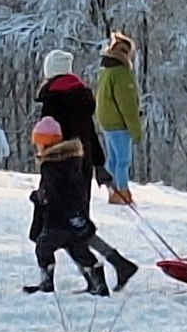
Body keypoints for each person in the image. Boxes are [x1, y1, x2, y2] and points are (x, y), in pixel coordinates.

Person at [23, 117, 138, 296]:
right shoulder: (69, 161)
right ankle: (99, 282)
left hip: (59, 220)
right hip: (73, 216)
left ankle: (47, 282)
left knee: (44, 247)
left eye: (38, 142)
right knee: (78, 248)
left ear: (44, 143)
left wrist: (40, 198)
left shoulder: (51, 165)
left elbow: (54, 193)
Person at [37, 49, 108, 190]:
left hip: (59, 161)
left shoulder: (52, 99)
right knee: (80, 201)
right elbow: (90, 133)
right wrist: (99, 162)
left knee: (59, 200)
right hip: (83, 161)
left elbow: (46, 139)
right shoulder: (81, 97)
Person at [95, 34, 142, 206]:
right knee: (123, 160)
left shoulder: (106, 71)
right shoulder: (121, 74)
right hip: (119, 125)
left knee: (113, 159)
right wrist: (136, 131)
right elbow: (127, 106)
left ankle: (112, 190)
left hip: (107, 123)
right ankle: (122, 191)